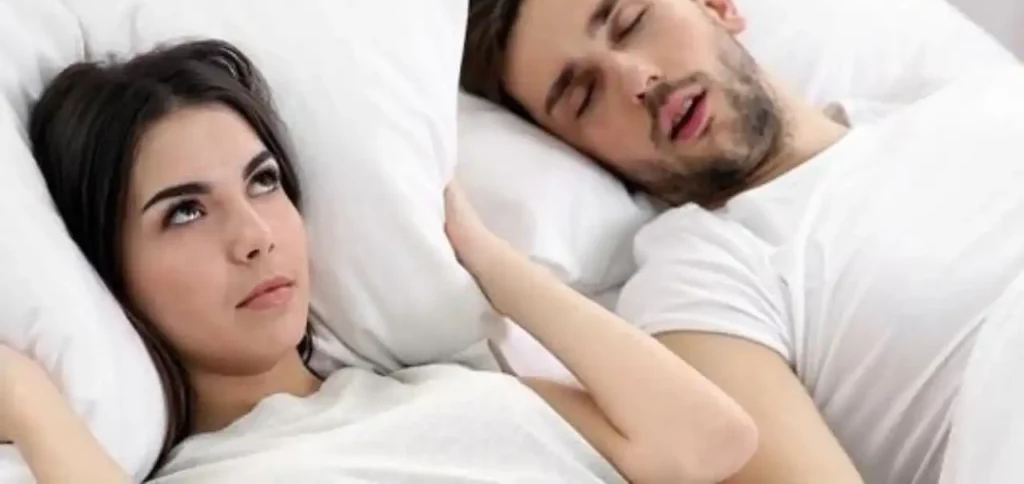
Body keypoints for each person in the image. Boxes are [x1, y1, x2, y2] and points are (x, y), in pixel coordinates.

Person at [0, 39, 757, 483]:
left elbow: (712, 441)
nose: (255, 235)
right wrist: (31, 403)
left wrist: (483, 255)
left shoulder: (460, 392)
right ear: (109, 269)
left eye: (264, 182)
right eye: (185, 211)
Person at [459, 0, 1024, 484]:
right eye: (584, 96)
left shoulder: (979, 98)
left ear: (716, 3)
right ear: (583, 156)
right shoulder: (705, 272)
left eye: (632, 23)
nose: (636, 78)